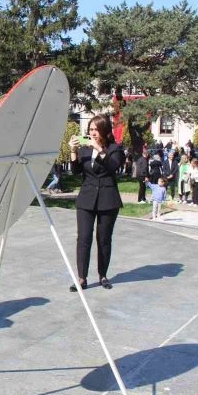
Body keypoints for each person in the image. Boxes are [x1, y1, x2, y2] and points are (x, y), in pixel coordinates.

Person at [68, 115, 125, 291]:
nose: (93, 133)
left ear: (105, 131)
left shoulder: (115, 149)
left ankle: (103, 275)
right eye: (91, 129)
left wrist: (99, 149)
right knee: (83, 238)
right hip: (86, 199)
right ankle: (82, 278)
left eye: (96, 130)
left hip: (108, 200)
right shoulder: (85, 149)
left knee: (104, 239)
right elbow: (76, 171)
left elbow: (113, 166)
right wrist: (73, 151)